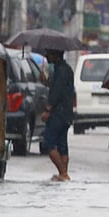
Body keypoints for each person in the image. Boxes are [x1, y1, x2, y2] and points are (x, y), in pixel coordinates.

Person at [40, 47, 75, 181]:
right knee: (62, 145)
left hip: (58, 114)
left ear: (55, 55)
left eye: (48, 54)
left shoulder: (61, 71)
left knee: (49, 143)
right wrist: (46, 81)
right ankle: (64, 174)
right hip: (66, 114)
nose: (47, 56)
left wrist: (48, 110)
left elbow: (56, 93)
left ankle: (63, 173)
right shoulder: (65, 70)